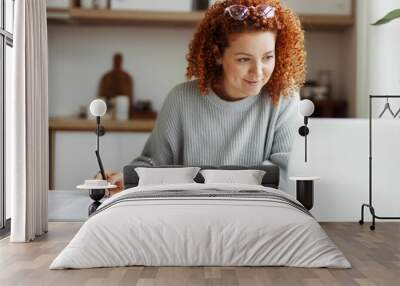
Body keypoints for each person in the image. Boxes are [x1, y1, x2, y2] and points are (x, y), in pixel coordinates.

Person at [104, 0, 306, 193]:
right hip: (189, 215)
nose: (258, 72)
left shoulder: (283, 97)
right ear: (218, 54)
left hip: (259, 216)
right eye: (244, 59)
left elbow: (288, 173)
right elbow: (154, 164)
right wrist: (125, 178)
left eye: (268, 57)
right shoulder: (181, 99)